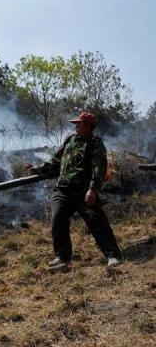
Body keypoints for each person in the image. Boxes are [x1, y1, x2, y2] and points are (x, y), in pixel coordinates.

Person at [27, 111, 122, 270]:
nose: (76, 126)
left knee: (96, 221)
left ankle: (113, 255)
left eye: (79, 124)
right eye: (76, 124)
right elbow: (56, 161)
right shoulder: (70, 140)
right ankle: (63, 257)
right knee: (58, 220)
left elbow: (99, 169)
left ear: (88, 126)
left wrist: (92, 189)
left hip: (83, 190)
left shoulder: (95, 143)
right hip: (62, 189)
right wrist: (38, 169)